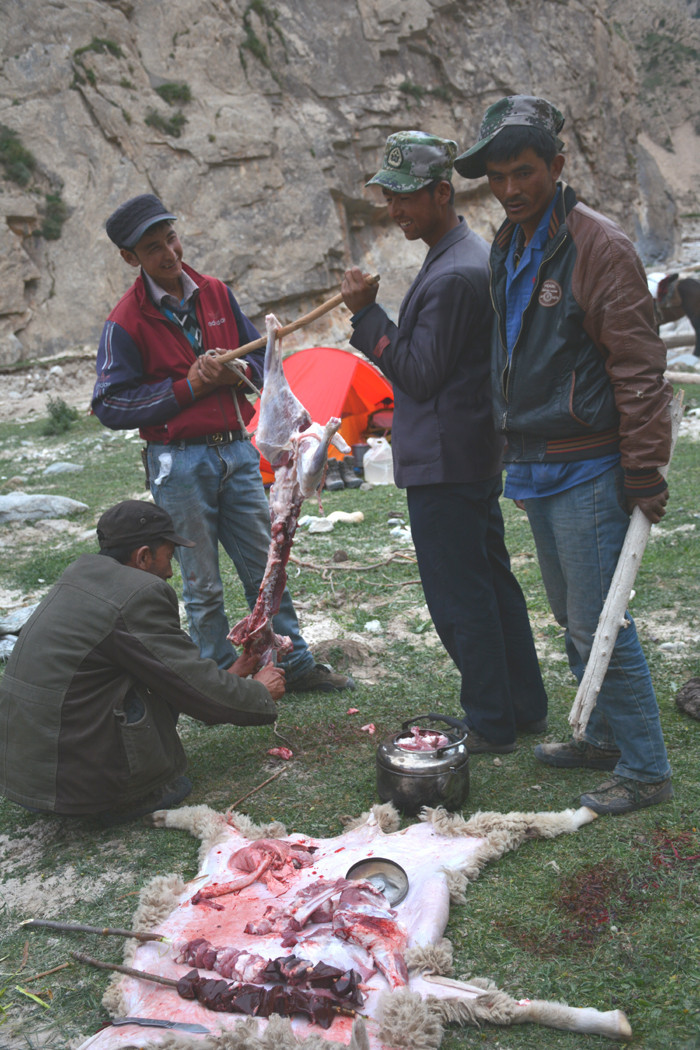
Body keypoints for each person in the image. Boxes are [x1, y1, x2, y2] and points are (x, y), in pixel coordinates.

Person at [455, 95, 674, 814]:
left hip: (590, 464)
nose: (511, 189)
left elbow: (638, 368)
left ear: (556, 165)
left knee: (602, 617)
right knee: (569, 611)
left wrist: (643, 467)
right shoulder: (508, 243)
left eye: (524, 172)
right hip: (538, 462)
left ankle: (645, 768)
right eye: (497, 177)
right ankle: (602, 737)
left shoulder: (598, 247)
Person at [92, 193, 354, 693]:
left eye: (170, 238)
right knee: (201, 582)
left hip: (236, 448)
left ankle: (293, 664)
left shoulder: (215, 293)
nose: (169, 254)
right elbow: (110, 404)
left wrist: (237, 373)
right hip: (179, 463)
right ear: (131, 258)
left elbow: (262, 361)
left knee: (267, 565)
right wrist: (189, 385)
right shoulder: (125, 320)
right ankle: (219, 681)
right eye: (153, 248)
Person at [340, 131, 548, 753]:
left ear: (440, 192)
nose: (396, 209)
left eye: (406, 197)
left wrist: (367, 318)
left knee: (461, 597)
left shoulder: (455, 270)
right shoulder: (459, 252)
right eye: (388, 198)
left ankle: (490, 720)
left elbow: (420, 374)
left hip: (445, 459)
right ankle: (522, 706)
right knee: (490, 583)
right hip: (465, 451)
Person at [0, 501, 286, 825]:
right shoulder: (139, 594)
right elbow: (189, 684)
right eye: (168, 556)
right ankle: (114, 797)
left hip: (27, 774)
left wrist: (233, 674)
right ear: (143, 556)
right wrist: (259, 693)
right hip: (70, 788)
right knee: (173, 784)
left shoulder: (79, 575)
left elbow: (167, 671)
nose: (170, 570)